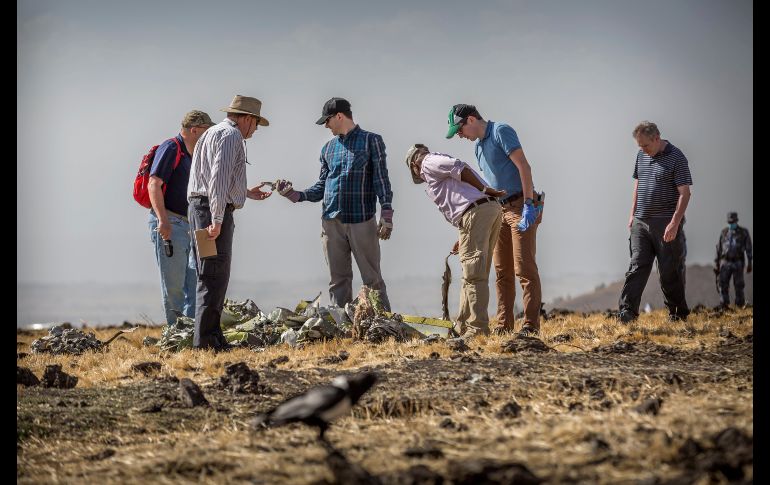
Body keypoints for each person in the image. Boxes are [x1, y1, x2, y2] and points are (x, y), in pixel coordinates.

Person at [276, 97, 393, 310]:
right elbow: (322, 186)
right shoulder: (327, 149)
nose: (326, 125)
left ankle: (383, 327)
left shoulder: (371, 141)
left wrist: (387, 213)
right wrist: (295, 195)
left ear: (339, 116)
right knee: (338, 281)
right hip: (331, 222)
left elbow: (381, 180)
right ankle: (342, 328)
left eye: (327, 121)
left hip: (362, 220)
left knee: (372, 279)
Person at [446, 104, 543, 335]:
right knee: (502, 272)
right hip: (498, 211)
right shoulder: (478, 147)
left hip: (521, 206)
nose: (460, 135)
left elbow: (524, 166)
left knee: (524, 269)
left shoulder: (501, 131)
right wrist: (468, 234)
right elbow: (486, 189)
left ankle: (530, 326)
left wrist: (529, 204)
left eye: (459, 130)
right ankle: (504, 325)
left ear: (470, 119)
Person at [187, 95, 273, 350]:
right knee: (214, 274)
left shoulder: (211, 133)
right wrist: (216, 219)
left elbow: (211, 176)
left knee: (209, 275)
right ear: (247, 118)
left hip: (200, 208)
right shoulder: (231, 136)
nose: (255, 130)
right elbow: (217, 179)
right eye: (256, 124)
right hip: (210, 211)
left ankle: (209, 337)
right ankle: (206, 342)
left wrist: (244, 192)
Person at [405, 144, 504, 339]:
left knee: (474, 274)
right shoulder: (432, 166)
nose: (421, 177)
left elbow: (458, 167)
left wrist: (484, 188)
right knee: (474, 273)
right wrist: (463, 235)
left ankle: (477, 329)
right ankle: (464, 326)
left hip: (476, 212)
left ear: (414, 165)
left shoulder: (427, 162)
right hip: (484, 212)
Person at [617, 121, 693, 323]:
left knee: (669, 271)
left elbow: (685, 193)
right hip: (640, 222)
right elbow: (638, 183)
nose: (642, 149)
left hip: (665, 223)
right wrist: (632, 214)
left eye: (645, 145)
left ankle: (677, 314)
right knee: (637, 266)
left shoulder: (676, 157)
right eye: (639, 146)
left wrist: (675, 223)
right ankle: (627, 312)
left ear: (656, 138)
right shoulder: (641, 155)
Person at [148, 110, 214, 325]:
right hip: (171, 223)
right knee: (174, 286)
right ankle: (176, 334)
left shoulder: (194, 154)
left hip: (192, 225)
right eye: (206, 130)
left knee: (196, 282)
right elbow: (153, 184)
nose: (209, 134)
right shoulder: (171, 148)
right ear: (194, 130)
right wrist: (162, 220)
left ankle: (192, 333)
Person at [714, 212, 752, 307]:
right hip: (725, 262)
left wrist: (750, 263)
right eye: (730, 222)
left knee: (739, 285)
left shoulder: (744, 232)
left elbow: (749, 248)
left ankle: (740, 305)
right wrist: (716, 263)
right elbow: (718, 248)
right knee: (723, 284)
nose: (731, 224)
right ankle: (724, 305)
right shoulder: (724, 232)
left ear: (736, 221)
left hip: (738, 262)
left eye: (733, 222)